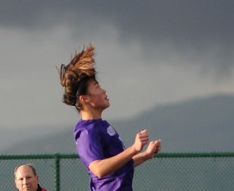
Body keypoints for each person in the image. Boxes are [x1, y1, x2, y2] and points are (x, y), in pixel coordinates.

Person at [58, 44, 162, 191]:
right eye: (97, 87)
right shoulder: (87, 132)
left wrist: (146, 155)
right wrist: (133, 149)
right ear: (84, 99)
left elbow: (118, 167)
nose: (104, 90)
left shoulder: (101, 125)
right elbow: (98, 169)